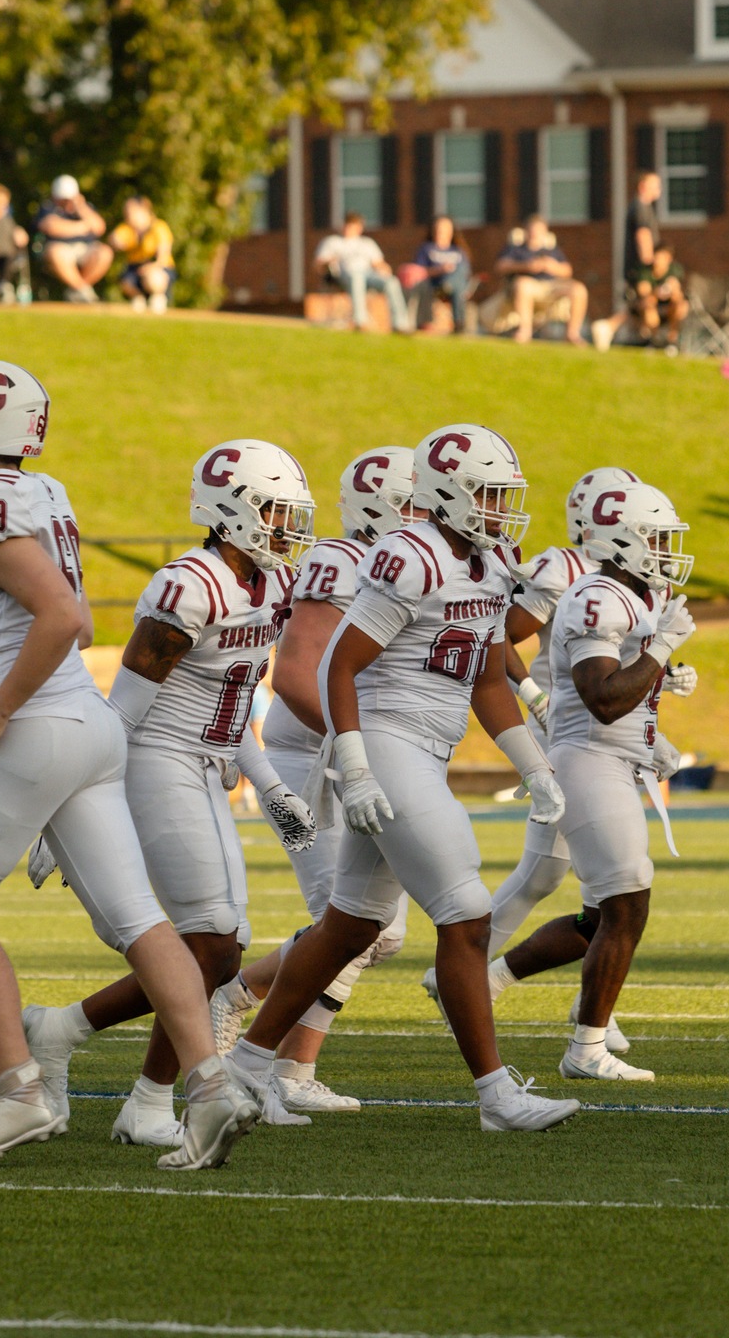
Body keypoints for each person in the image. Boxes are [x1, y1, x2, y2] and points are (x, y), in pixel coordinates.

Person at [0, 360, 257, 1168]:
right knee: (139, 918)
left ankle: (20, 1089)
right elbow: (46, 613)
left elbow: (62, 615)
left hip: (39, 727)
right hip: (88, 723)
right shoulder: (44, 492)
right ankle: (209, 1088)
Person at [220, 425, 582, 1133]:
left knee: (350, 926)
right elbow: (338, 663)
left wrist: (533, 763)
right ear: (448, 490)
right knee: (467, 915)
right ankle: (495, 1096)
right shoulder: (408, 556)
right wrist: (351, 760)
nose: (501, 508)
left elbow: (483, 673)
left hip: (425, 745)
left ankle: (245, 1065)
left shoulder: (488, 561)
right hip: (387, 743)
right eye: (487, 492)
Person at [20, 441, 320, 1148]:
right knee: (212, 938)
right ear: (230, 512)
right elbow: (119, 712)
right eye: (274, 513)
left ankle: (75, 1037)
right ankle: (145, 1097)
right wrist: (57, 806)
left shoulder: (271, 586)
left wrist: (272, 785)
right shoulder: (188, 585)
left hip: (209, 763)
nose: (285, 528)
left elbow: (236, 697)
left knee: (220, 948)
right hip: (151, 758)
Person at [207, 446, 417, 1113]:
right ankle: (237, 1003)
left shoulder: (404, 568)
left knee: (380, 929)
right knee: (354, 921)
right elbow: (295, 673)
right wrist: (359, 747)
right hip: (315, 758)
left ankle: (292, 1071)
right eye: (416, 504)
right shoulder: (340, 559)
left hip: (352, 755)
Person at [481, 482, 697, 1083]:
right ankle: (585, 1045)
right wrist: (665, 647)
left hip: (614, 761)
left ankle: (509, 988)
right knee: (624, 899)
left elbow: (626, 700)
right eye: (654, 537)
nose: (663, 549)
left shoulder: (630, 594)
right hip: (589, 760)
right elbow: (602, 699)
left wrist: (655, 736)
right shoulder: (597, 596)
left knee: (605, 912)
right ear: (624, 540)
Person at [471, 468, 647, 1062]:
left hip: (601, 735)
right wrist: (532, 694)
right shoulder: (564, 569)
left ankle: (583, 1007)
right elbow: (497, 636)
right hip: (568, 731)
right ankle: (472, 981)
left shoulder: (637, 579)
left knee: (583, 882)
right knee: (600, 884)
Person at [496, 216, 589, 347]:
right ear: (526, 231)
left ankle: (572, 334)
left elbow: (567, 270)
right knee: (522, 284)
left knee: (579, 289)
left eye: (539, 230)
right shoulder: (516, 249)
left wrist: (551, 266)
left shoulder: (552, 251)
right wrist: (526, 266)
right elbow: (501, 266)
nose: (535, 233)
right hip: (529, 286)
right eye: (532, 230)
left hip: (552, 287)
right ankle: (525, 331)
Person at [313, 212, 408, 333]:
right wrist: (328, 261)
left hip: (368, 274)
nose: (350, 229)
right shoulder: (333, 242)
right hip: (343, 275)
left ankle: (400, 324)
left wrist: (385, 270)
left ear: (360, 228)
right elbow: (318, 265)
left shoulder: (367, 243)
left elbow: (378, 263)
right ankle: (360, 321)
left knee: (392, 282)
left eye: (354, 226)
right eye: (348, 226)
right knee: (356, 277)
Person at [35, 175, 113, 302]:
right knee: (56, 252)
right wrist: (83, 226)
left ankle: (78, 290)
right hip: (61, 249)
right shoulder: (48, 208)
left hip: (86, 249)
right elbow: (51, 227)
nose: (67, 202)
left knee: (105, 252)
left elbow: (99, 227)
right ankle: (82, 290)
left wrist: (81, 208)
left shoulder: (86, 208)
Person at [403, 218, 474, 335]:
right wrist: (440, 270)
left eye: (444, 229)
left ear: (451, 231)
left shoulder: (458, 251)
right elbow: (418, 272)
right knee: (457, 278)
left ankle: (451, 287)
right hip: (435, 285)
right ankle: (459, 322)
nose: (440, 232)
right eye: (438, 229)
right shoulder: (426, 249)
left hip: (457, 287)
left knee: (460, 271)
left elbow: (466, 274)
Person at [108, 194, 176, 314]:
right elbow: (115, 239)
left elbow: (163, 256)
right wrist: (115, 242)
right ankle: (139, 299)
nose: (128, 214)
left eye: (131, 210)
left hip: (158, 267)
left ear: (143, 209)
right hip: (135, 267)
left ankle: (158, 298)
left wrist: (151, 267)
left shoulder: (158, 227)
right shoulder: (127, 228)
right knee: (125, 281)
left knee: (153, 278)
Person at [623, 244, 689, 350]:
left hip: (669, 308)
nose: (657, 261)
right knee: (649, 304)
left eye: (661, 258)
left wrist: (673, 290)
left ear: (668, 259)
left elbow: (679, 297)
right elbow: (643, 293)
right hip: (649, 307)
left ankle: (672, 342)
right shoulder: (645, 271)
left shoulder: (675, 270)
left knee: (682, 306)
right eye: (656, 257)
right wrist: (657, 293)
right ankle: (654, 340)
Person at [623, 169, 666, 293]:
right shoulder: (640, 207)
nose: (659, 188)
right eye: (655, 185)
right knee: (645, 304)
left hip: (639, 268)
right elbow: (642, 234)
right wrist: (649, 264)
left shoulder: (643, 206)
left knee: (633, 311)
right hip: (641, 269)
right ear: (642, 186)